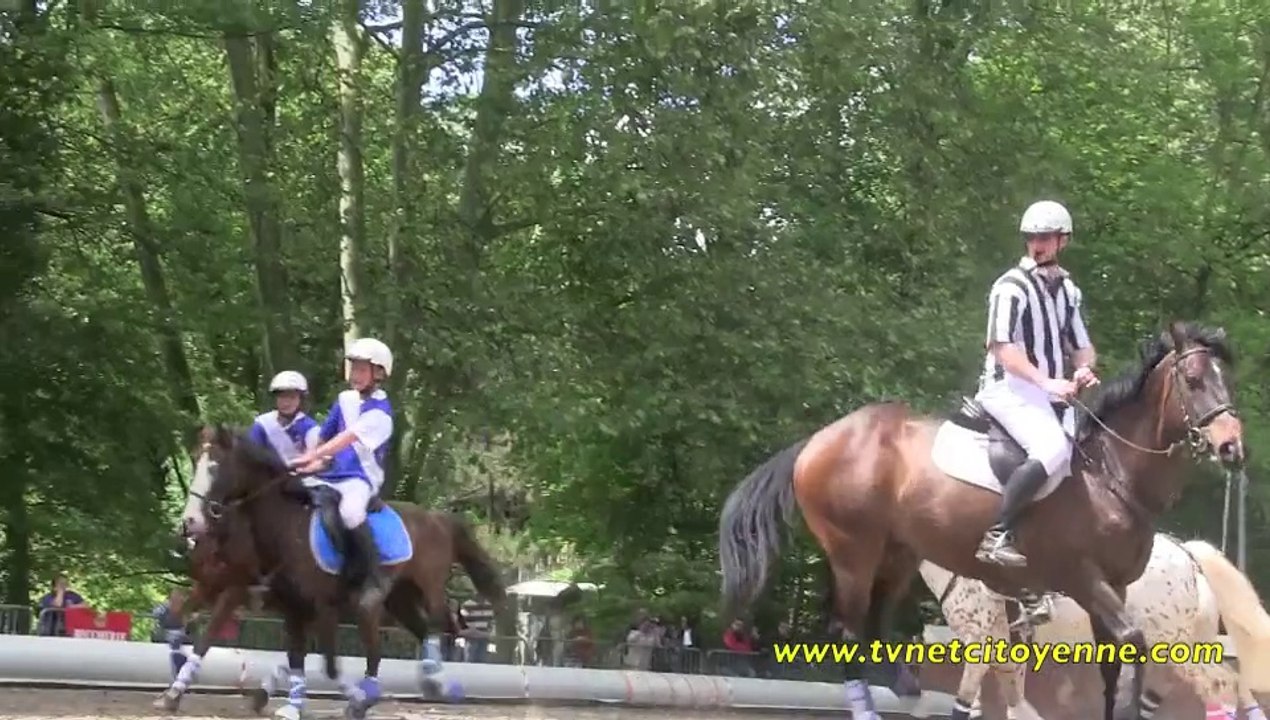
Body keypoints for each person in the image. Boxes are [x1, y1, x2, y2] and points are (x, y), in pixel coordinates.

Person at [974, 200, 1100, 569]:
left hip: (1047, 392)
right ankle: (997, 534)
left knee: (1083, 457)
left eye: (1046, 237)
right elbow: (1002, 348)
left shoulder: (1068, 290)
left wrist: (1084, 370)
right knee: (1052, 448)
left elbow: (1082, 345)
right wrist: (1048, 382)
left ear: (1063, 241)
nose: (1037, 244)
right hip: (1009, 388)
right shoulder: (1009, 287)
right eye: (1032, 238)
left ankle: (1045, 554)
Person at [289, 338, 395, 609]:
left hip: (361, 479)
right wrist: (312, 463)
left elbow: (345, 439)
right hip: (334, 472)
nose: (355, 376)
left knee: (350, 513)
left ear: (379, 373)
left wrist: (312, 458)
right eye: (353, 369)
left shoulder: (381, 414)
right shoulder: (345, 399)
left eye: (362, 370)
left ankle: (373, 577)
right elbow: (326, 436)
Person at [247, 371, 321, 466]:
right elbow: (251, 454)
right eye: (282, 397)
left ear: (300, 400)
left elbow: (316, 459)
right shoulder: (262, 424)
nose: (286, 403)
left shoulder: (310, 428)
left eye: (292, 397)